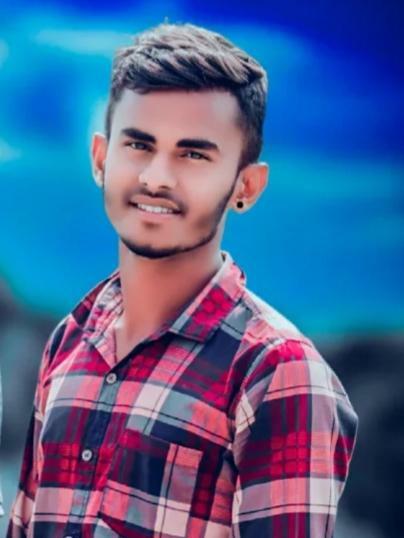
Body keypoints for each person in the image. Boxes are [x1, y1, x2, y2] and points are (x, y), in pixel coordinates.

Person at [7, 22, 358, 538]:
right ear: (101, 158)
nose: (156, 177)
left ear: (246, 185)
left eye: (193, 154)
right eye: (139, 145)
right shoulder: (70, 342)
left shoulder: (277, 373)